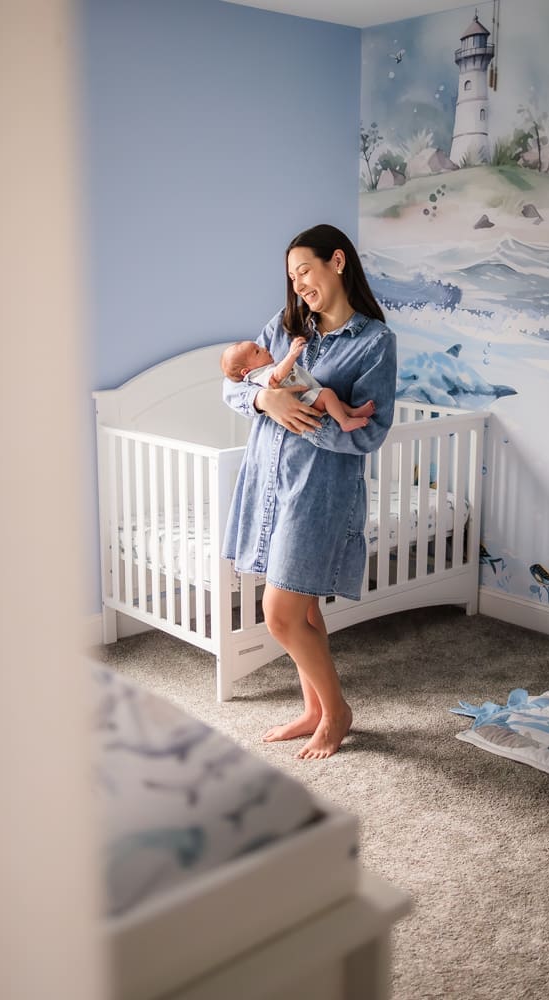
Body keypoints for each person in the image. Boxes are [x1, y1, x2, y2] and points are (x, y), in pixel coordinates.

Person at [222, 224, 397, 760]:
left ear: (337, 262)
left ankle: (337, 711)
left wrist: (302, 418)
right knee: (304, 611)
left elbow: (369, 433)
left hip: (318, 493)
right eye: (292, 276)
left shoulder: (374, 342)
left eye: (305, 271)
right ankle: (314, 710)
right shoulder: (284, 325)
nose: (298, 284)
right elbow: (234, 385)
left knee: (280, 613)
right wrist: (264, 402)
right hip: (268, 481)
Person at [220, 336, 376, 432]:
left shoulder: (262, 368)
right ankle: (345, 422)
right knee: (328, 395)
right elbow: (277, 376)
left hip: (306, 394)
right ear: (246, 371)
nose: (264, 348)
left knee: (333, 401)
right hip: (302, 401)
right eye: (257, 351)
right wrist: (292, 354)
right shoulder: (259, 375)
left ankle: (352, 412)